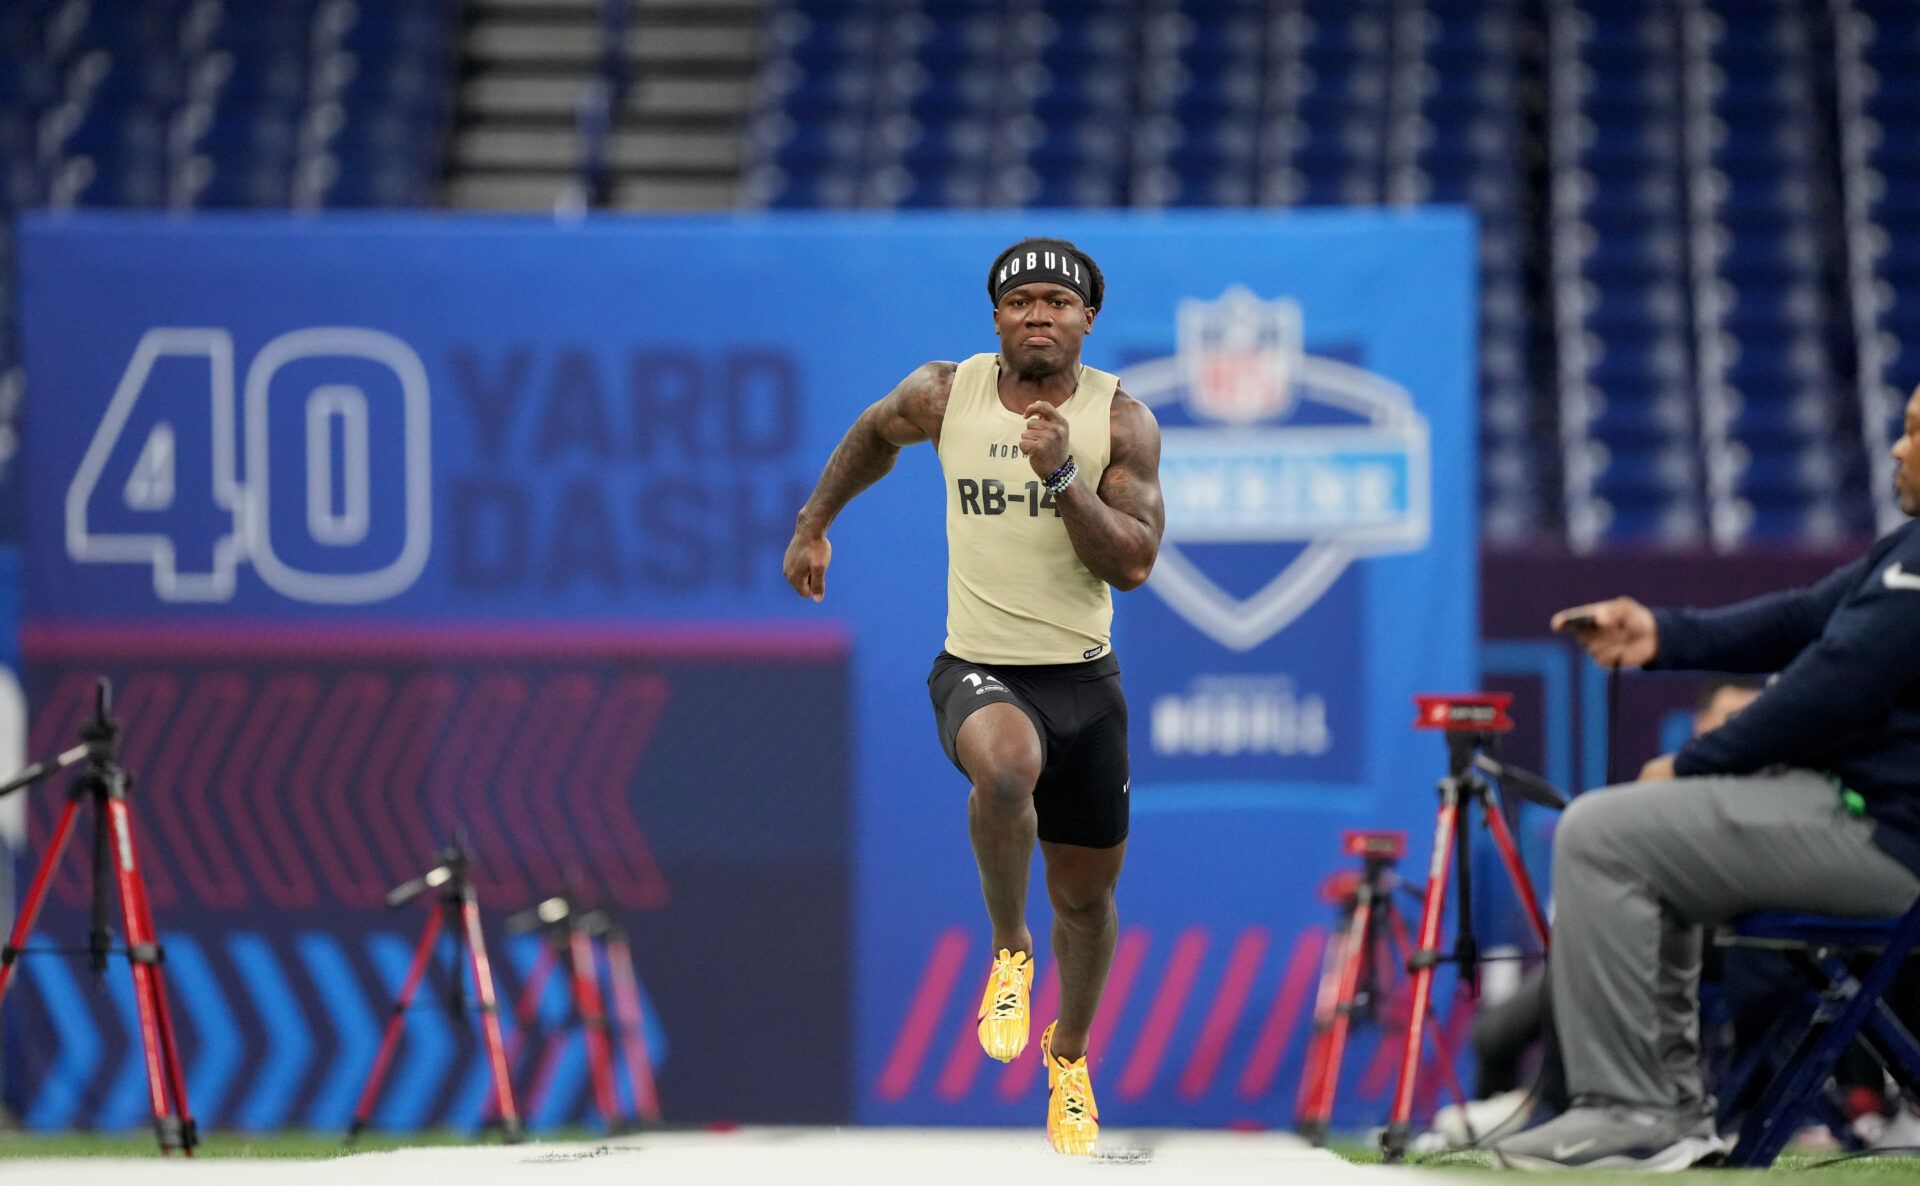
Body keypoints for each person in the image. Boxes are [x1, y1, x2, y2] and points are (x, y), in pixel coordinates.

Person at [782, 238, 1165, 1155]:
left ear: (1087, 319)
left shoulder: (1123, 421)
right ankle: (1007, 950)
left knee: (1086, 898)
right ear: (995, 317)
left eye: (1057, 303)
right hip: (979, 666)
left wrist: (1062, 476)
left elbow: (1134, 563)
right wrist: (813, 526)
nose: (1039, 315)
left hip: (1084, 680)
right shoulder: (943, 393)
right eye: (1021, 301)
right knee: (1004, 770)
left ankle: (1067, 1059)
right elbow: (874, 434)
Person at [1490, 384, 1920, 1171]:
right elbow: (1803, 618)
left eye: (1916, 433)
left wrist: (1693, 762)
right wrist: (1662, 634)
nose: (1897, 448)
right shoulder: (1907, 553)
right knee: (1650, 841)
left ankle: (1633, 1109)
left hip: (1892, 842)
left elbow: (1836, 684)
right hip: (1874, 825)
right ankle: (1665, 1109)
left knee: (1601, 832)